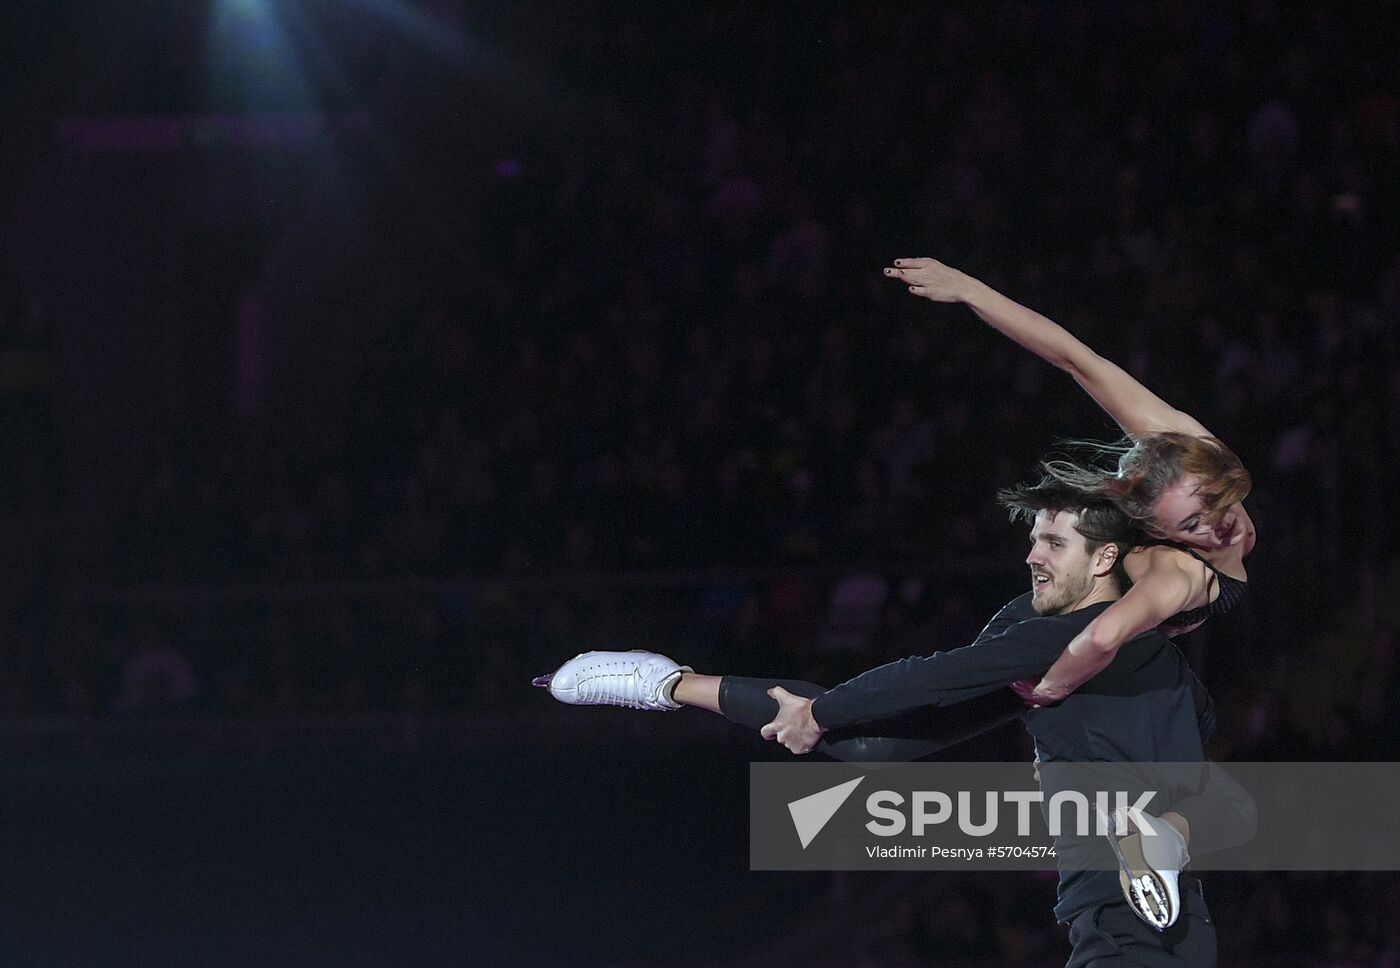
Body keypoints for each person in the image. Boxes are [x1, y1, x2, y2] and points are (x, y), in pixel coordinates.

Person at [535, 480, 1256, 959]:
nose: (1031, 553)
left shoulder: (1086, 638)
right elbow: (925, 700)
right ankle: (663, 682)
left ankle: (670, 683)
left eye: (1052, 543)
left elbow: (932, 678)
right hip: (1133, 905)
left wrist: (819, 710)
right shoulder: (1079, 639)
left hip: (1151, 907)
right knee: (870, 744)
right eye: (1033, 538)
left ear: (1106, 559)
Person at [883, 257, 1255, 704]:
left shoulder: (1192, 448)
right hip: (1081, 613)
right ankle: (820, 715)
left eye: (1213, 499)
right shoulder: (1174, 571)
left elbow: (1082, 362)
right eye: (1192, 524)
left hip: (1121, 622)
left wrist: (970, 290)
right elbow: (1100, 639)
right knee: (976, 685)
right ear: (1162, 533)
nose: (1218, 522)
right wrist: (970, 291)